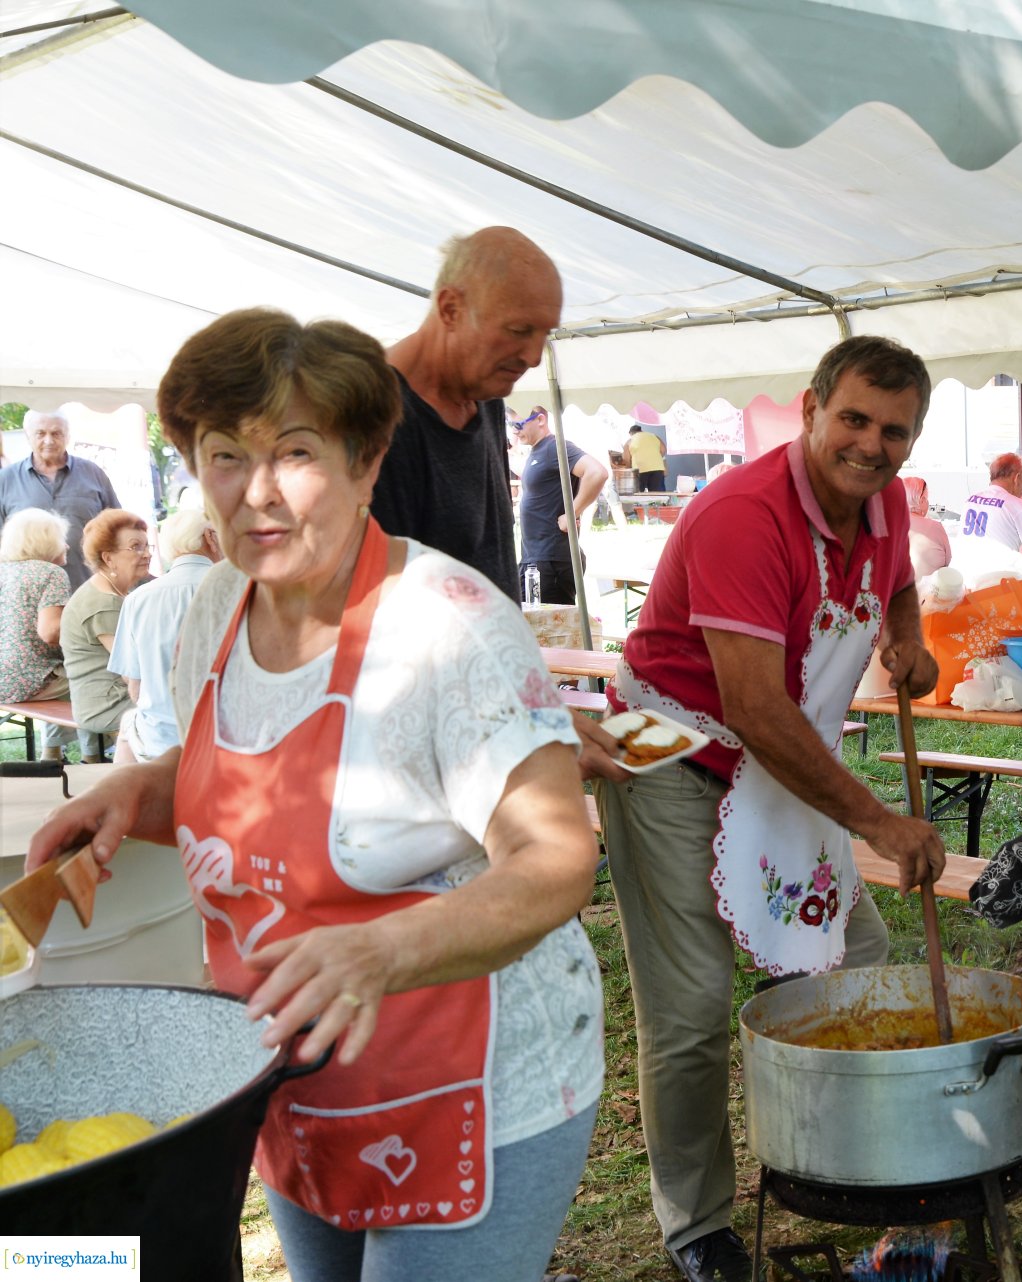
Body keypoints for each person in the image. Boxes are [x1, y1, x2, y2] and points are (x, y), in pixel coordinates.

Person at [31, 308, 602, 1278]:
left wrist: (383, 948)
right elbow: (238, 772)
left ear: (366, 461)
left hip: (476, 1088)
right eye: (224, 455)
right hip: (292, 1078)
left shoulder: (447, 627)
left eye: (295, 453)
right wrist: (137, 791)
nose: (257, 492)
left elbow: (555, 860)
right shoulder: (218, 603)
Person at [595, 335, 945, 1282]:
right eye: (854, 420)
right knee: (690, 1010)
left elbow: (897, 580)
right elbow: (753, 706)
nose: (871, 446)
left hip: (781, 760)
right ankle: (697, 1227)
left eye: (895, 432)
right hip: (671, 751)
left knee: (856, 956)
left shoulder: (886, 502)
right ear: (811, 409)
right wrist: (876, 822)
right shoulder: (741, 516)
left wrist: (909, 641)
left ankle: (843, 1165)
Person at [377, 227, 563, 598]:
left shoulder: (485, 396)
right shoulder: (376, 417)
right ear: (450, 309)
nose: (533, 357)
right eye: (518, 330)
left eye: (544, 334)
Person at [106, 507, 223, 762]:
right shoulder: (240, 590)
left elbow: (134, 685)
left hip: (159, 742)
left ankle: (132, 786)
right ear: (211, 537)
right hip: (224, 739)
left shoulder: (137, 599)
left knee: (129, 724)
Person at [60, 509, 152, 760]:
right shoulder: (104, 603)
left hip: (108, 696)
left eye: (147, 545)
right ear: (109, 557)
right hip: (107, 704)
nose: (147, 554)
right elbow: (132, 672)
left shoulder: (110, 591)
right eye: (135, 547)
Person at [0, 411, 122, 592]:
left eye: (56, 433)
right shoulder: (6, 479)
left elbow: (118, 528)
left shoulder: (93, 474)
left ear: (68, 436)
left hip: (87, 588)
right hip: (29, 596)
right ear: (28, 436)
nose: (49, 440)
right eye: (40, 433)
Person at [0, 508, 78, 759]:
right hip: (26, 682)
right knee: (93, 674)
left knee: (62, 670)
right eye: (61, 539)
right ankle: (93, 754)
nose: (66, 545)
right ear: (45, 542)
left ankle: (52, 753)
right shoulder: (50, 573)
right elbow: (51, 633)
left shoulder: (3, 571)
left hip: (5, 679)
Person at [513, 405, 608, 605]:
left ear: (540, 420)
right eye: (511, 424)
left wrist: (571, 514)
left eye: (518, 424)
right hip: (537, 558)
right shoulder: (538, 451)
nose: (514, 430)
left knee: (550, 623)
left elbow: (597, 472)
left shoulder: (553, 447)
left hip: (551, 560)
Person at [952, 452, 1022, 570]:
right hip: (1001, 577)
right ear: (1016, 478)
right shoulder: (1018, 505)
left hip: (968, 575)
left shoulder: (970, 501)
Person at [901, 475, 951, 578]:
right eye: (927, 498)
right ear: (922, 500)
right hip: (930, 586)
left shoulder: (889, 526)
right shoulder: (935, 527)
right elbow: (948, 560)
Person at [625, 420, 669, 492]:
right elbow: (663, 450)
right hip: (657, 468)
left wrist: (629, 468)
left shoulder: (630, 440)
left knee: (639, 493)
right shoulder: (654, 436)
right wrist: (654, 458)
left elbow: (626, 458)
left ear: (631, 433)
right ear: (641, 430)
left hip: (639, 468)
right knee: (656, 493)